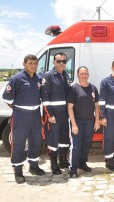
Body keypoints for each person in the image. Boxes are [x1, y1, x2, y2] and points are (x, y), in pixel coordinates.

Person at [2, 54, 45, 184]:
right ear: (24, 64)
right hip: (21, 115)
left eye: (35, 63)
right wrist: (18, 109)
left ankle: (34, 166)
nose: (33, 66)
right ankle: (18, 170)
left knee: (36, 141)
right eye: (30, 63)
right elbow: (7, 98)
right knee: (19, 143)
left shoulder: (39, 79)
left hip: (36, 115)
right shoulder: (17, 79)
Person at [67, 66, 100, 178]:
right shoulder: (74, 88)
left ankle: (82, 163)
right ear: (78, 75)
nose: (84, 75)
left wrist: (97, 121)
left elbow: (96, 106)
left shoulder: (93, 88)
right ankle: (73, 168)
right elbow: (70, 108)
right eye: (82, 74)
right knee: (76, 146)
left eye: (86, 73)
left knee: (86, 144)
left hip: (90, 121)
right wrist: (74, 124)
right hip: (77, 121)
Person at [41, 52, 70, 174]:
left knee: (64, 139)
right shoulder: (48, 76)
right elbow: (45, 97)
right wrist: (50, 115)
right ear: (54, 62)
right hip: (53, 116)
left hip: (64, 115)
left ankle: (62, 160)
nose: (62, 63)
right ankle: (53, 164)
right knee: (53, 141)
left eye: (64, 61)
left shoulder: (65, 76)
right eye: (59, 61)